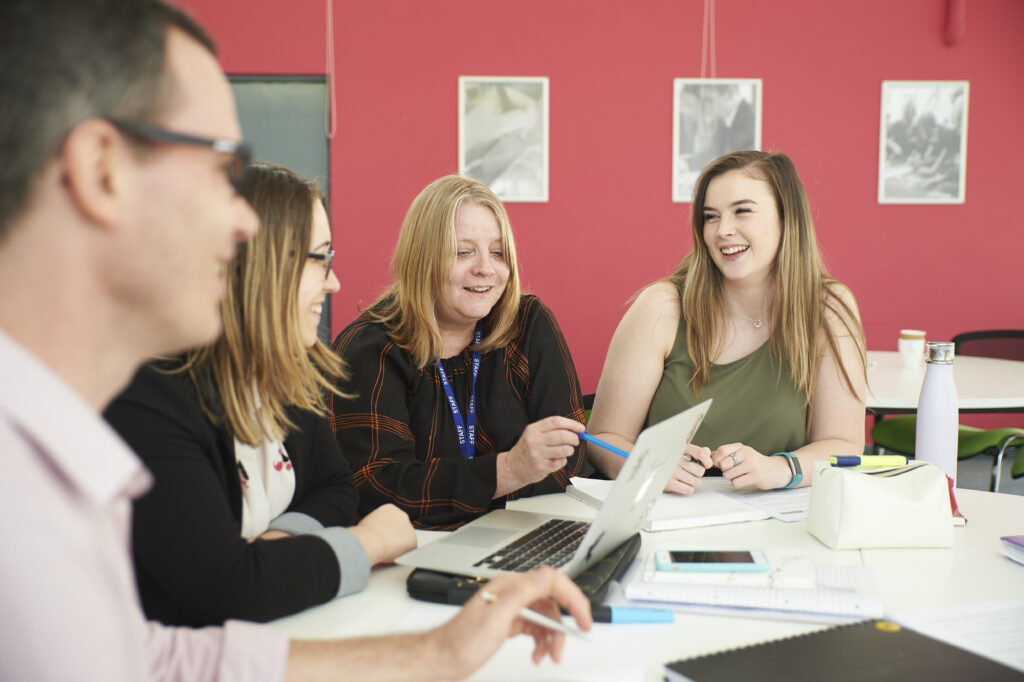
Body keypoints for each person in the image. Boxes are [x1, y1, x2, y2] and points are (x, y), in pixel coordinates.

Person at [0, 1, 591, 680]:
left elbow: (149, 662)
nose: (244, 222)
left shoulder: (58, 429)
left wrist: (442, 652)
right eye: (220, 167)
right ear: (102, 169)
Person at [103, 162, 417, 626]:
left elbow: (334, 487)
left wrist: (275, 550)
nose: (334, 282)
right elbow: (230, 592)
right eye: (322, 258)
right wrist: (368, 543)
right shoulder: (152, 395)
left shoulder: (283, 369)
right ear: (267, 265)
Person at [586, 151, 866, 494]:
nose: (723, 231)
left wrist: (780, 468)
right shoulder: (661, 307)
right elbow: (602, 440)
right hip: (666, 520)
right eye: (711, 217)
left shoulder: (829, 309)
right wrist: (650, 466)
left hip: (780, 523)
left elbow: (844, 442)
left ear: (786, 217)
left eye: (742, 211)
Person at [331, 175, 590, 529]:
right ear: (421, 260)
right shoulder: (370, 349)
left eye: (498, 253)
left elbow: (570, 457)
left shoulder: (528, 322)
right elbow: (378, 488)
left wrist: (459, 494)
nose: (485, 267)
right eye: (462, 251)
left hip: (522, 532)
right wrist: (509, 471)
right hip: (414, 551)